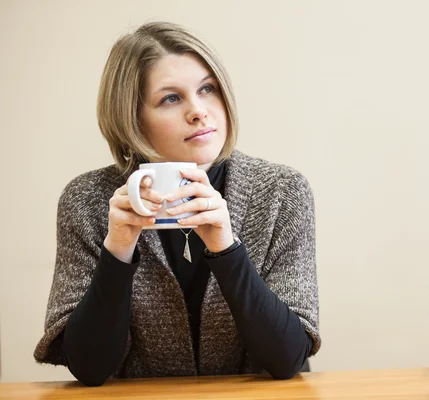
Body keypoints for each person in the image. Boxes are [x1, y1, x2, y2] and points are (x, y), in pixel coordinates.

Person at [33, 21, 320, 386]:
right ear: (132, 118)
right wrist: (118, 249)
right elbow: (89, 368)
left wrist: (226, 249)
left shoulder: (283, 192)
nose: (199, 111)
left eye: (207, 89)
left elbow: (287, 358)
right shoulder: (87, 200)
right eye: (171, 98)